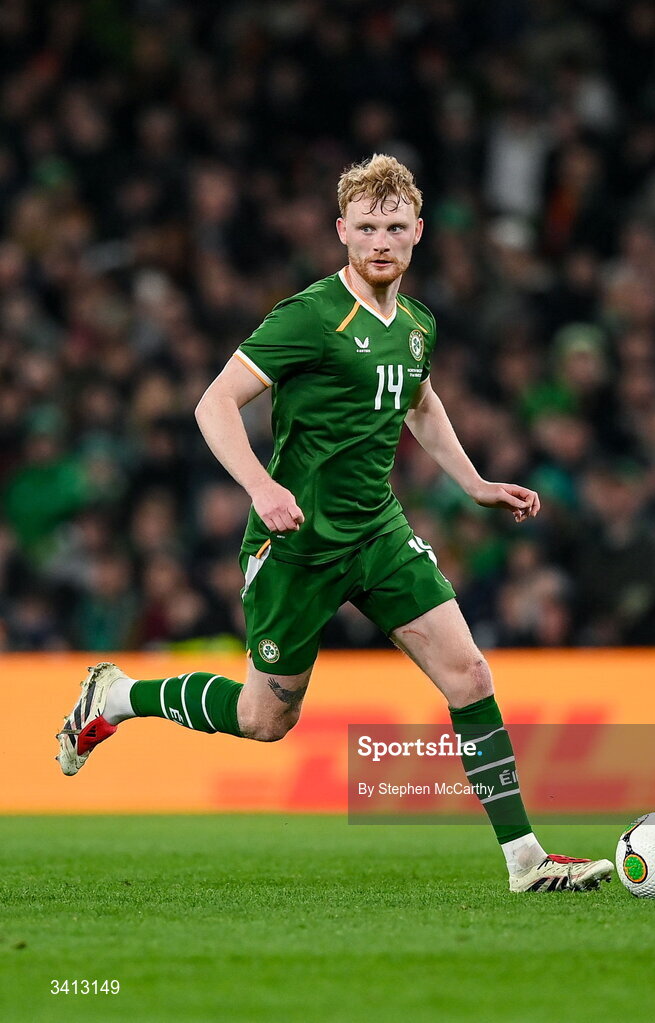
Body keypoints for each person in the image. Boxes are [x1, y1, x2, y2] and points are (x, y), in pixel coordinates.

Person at [57, 154, 611, 893]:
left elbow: (420, 403)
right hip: (297, 543)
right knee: (263, 718)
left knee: (469, 672)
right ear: (341, 231)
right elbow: (214, 404)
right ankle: (119, 695)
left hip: (376, 531)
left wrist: (474, 481)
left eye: (395, 226)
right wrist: (259, 486)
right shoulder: (311, 316)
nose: (380, 239)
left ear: (417, 234)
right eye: (367, 226)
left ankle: (526, 860)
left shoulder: (416, 324)